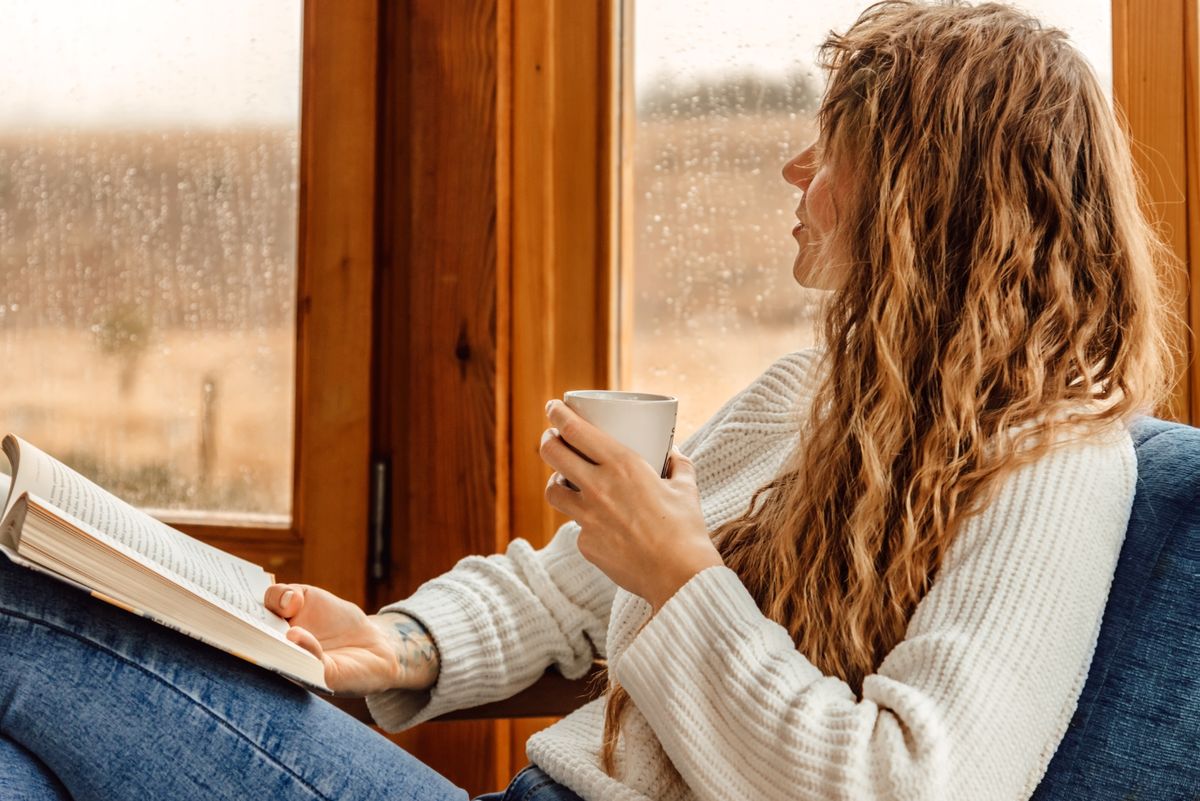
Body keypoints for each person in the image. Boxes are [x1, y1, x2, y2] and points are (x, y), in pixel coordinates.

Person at [0, 2, 1172, 799]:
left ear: (931, 194)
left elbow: (909, 783)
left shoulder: (1056, 463)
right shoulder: (815, 392)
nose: (795, 170)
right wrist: (398, 643)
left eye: (837, 143)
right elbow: (565, 596)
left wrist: (680, 574)